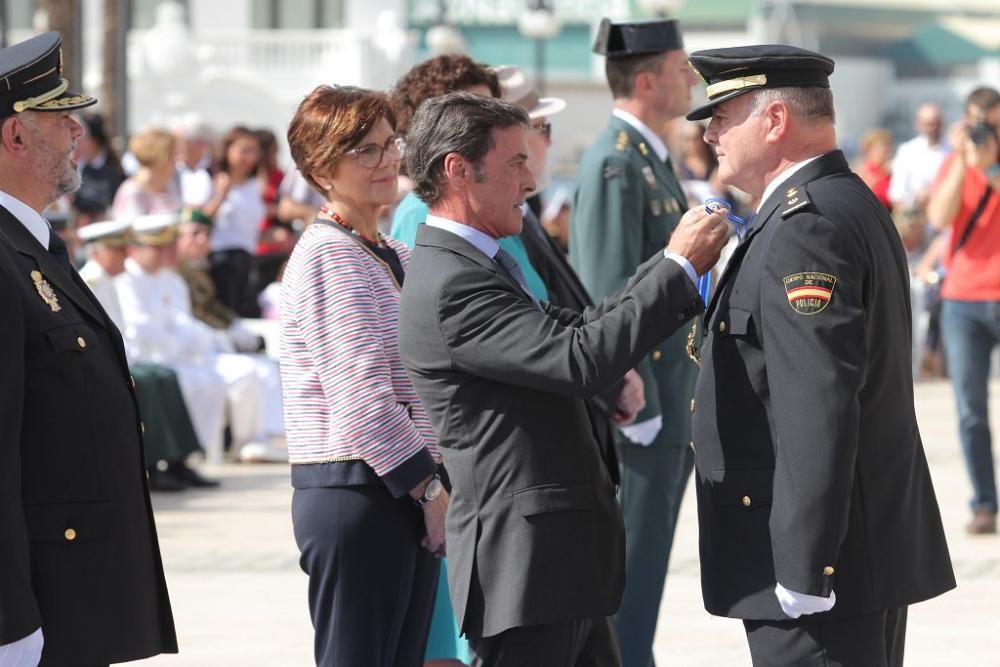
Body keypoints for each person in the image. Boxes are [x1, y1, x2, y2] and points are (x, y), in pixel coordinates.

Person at [398, 92, 728, 666]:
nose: (530, 182)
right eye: (515, 164)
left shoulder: (479, 262)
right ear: (458, 168)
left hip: (557, 562)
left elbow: (570, 329)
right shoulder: (451, 281)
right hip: (524, 568)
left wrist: (663, 266)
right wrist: (677, 268)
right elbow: (576, 358)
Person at [685, 44, 956, 666]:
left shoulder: (806, 226)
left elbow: (818, 406)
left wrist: (807, 566)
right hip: (851, 547)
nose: (711, 132)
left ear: (775, 120)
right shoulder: (836, 202)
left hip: (818, 568)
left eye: (725, 114)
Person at [0, 31, 176, 664]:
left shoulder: (35, 248)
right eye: (60, 118)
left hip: (77, 596)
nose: (78, 131)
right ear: (16, 136)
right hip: (37, 610)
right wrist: (9, 622)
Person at [281, 85, 446, 667]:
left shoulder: (389, 251)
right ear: (322, 169)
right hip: (357, 490)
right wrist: (426, 486)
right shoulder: (332, 254)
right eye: (365, 151)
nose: (387, 161)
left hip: (390, 487)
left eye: (389, 143)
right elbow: (361, 398)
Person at [569, 18, 701, 667]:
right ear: (646, 79)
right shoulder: (616, 161)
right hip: (642, 402)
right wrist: (638, 407)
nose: (692, 79)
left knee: (646, 571)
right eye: (682, 68)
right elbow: (605, 293)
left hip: (671, 394)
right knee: (632, 579)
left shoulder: (647, 155)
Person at [389, 54, 550, 304]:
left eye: (490, 107)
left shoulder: (491, 207)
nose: (490, 122)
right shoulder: (425, 212)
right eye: (472, 110)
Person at [78, 219, 215, 491]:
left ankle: (178, 460)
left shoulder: (109, 279)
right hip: (102, 363)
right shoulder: (92, 280)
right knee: (149, 382)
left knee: (165, 377)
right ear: (97, 253)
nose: (124, 256)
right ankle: (152, 464)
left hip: (123, 356)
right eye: (117, 251)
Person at [926, 85, 1000, 535]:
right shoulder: (955, 164)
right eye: (976, 120)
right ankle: (984, 504)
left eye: (989, 121)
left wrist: (989, 165)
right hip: (964, 300)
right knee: (970, 409)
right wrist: (961, 163)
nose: (982, 129)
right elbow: (938, 218)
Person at [201, 125, 266, 314]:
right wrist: (220, 196)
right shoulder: (214, 181)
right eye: (244, 150)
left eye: (254, 151)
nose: (249, 158)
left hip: (247, 259)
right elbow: (200, 220)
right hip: (222, 260)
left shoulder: (254, 186)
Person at [112, 127, 183, 217]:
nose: (176, 161)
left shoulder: (171, 186)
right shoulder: (132, 192)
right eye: (172, 156)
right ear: (161, 158)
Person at [888, 102, 947, 211]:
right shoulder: (907, 151)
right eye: (928, 124)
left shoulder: (953, 150)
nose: (933, 128)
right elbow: (897, 193)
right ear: (918, 124)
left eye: (936, 123)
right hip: (916, 220)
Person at [71, 111, 125, 226]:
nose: (76, 142)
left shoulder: (115, 172)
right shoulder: (80, 166)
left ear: (94, 141)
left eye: (81, 138)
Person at [857, 128, 894, 210]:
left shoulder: (889, 173)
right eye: (884, 150)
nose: (887, 153)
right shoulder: (864, 173)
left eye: (888, 149)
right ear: (870, 150)